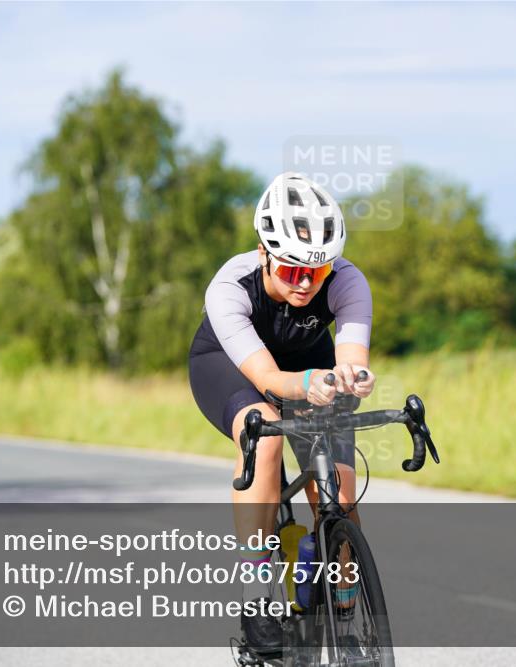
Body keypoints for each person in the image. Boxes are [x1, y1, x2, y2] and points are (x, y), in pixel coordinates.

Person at [188, 172, 374, 655]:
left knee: (339, 491)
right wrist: (309, 384)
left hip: (309, 365)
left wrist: (354, 377)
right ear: (264, 252)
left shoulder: (347, 281)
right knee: (265, 438)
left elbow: (351, 356)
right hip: (233, 367)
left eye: (318, 271)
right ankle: (256, 598)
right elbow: (269, 380)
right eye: (292, 271)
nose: (306, 283)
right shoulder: (230, 288)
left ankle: (345, 608)